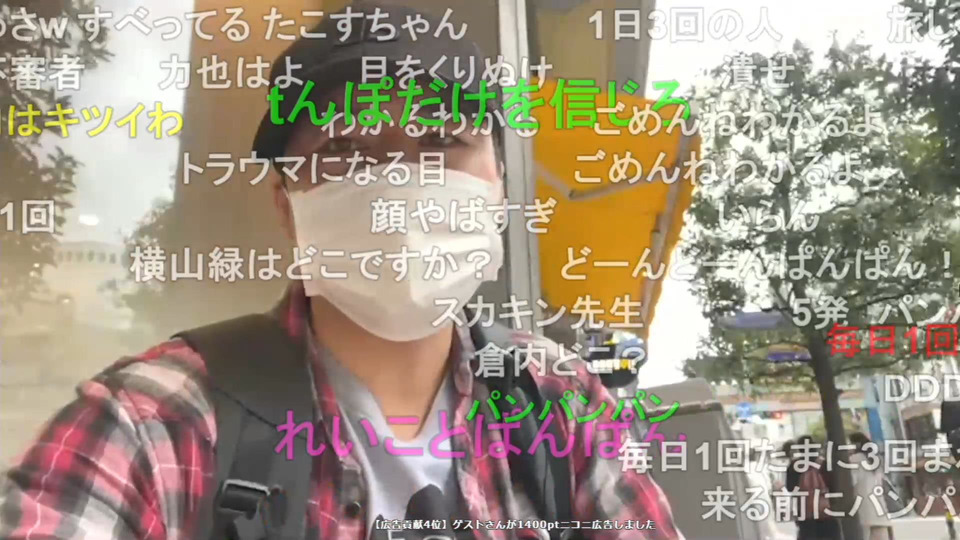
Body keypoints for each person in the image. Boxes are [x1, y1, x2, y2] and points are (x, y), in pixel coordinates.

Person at [0, 3, 683, 540]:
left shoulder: (558, 400)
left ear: (497, 183)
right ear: (288, 205)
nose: (400, 185)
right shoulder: (154, 422)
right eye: (347, 148)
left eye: (442, 139)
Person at [793, 435, 841, 540]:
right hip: (825, 511)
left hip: (805, 512)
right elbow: (833, 485)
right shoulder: (824, 464)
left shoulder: (794, 466)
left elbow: (790, 488)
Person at [848, 432, 895, 540]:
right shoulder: (875, 459)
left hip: (863, 504)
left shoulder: (854, 459)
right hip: (879, 504)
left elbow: (852, 481)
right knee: (880, 533)